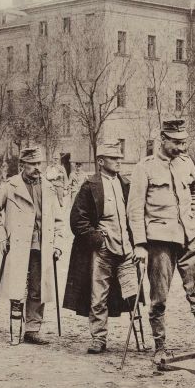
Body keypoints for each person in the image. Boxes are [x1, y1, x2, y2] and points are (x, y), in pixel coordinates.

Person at [128, 119, 195, 368]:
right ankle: (160, 346)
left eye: (184, 142)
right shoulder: (144, 168)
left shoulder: (186, 163)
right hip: (160, 242)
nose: (182, 147)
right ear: (163, 140)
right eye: (177, 142)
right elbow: (134, 210)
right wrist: (140, 244)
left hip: (188, 237)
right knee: (159, 298)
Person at [63, 141, 140, 354]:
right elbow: (77, 220)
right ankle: (98, 338)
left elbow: (134, 215)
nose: (119, 161)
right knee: (98, 296)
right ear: (100, 161)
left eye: (119, 158)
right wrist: (97, 238)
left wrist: (136, 243)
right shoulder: (90, 186)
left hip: (126, 249)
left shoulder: (125, 183)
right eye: (113, 158)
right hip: (103, 250)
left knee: (133, 293)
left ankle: (140, 338)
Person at [0, 146, 63, 345]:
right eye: (32, 164)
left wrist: (58, 244)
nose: (37, 168)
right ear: (23, 164)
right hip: (18, 245)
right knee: (17, 286)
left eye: (39, 163)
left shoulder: (48, 187)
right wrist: (1, 239)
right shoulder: (10, 186)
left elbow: (58, 220)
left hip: (42, 245)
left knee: (38, 287)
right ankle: (15, 328)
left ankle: (32, 329)